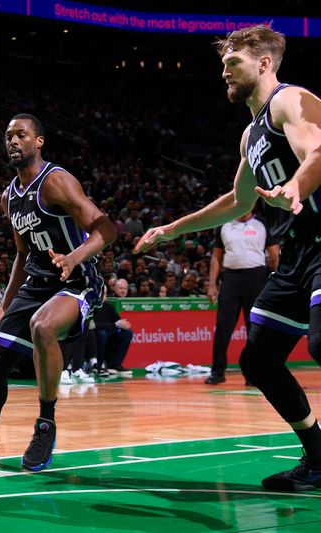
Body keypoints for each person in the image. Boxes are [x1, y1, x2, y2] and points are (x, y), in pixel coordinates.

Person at [135, 25, 321, 491]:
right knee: (258, 361)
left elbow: (319, 149)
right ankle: (319, 457)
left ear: (263, 63)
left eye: (232, 62)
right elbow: (237, 202)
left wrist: (296, 186)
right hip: (298, 250)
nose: (224, 71)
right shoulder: (250, 134)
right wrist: (173, 228)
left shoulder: (289, 99)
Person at [0, 114, 115, 472]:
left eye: (21, 134)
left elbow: (106, 229)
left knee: (43, 326)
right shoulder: (10, 196)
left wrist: (74, 257)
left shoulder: (56, 181)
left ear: (39, 141)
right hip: (36, 285)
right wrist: (3, 307)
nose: (13, 141)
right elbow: (23, 254)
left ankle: (45, 424)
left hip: (77, 282)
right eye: (8, 135)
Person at [205, 211, 279, 384]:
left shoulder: (262, 223)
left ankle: (253, 373)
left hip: (256, 277)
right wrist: (212, 284)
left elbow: (274, 254)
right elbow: (216, 256)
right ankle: (217, 371)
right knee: (223, 326)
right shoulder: (224, 223)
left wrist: (277, 280)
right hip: (230, 278)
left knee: (254, 328)